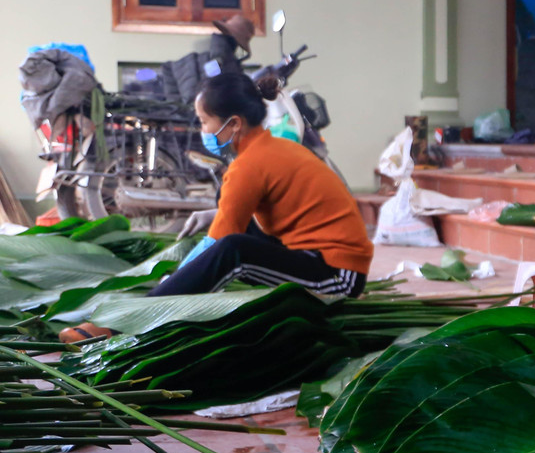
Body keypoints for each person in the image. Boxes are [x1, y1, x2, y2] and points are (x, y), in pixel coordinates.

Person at [60, 73, 373, 342]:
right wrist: (214, 216)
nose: (203, 130)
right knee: (236, 235)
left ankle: (130, 320)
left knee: (233, 250)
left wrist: (174, 280)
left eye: (204, 121)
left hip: (337, 275)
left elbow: (219, 244)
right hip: (317, 256)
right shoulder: (272, 147)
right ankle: (159, 301)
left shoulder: (249, 165)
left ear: (233, 124)